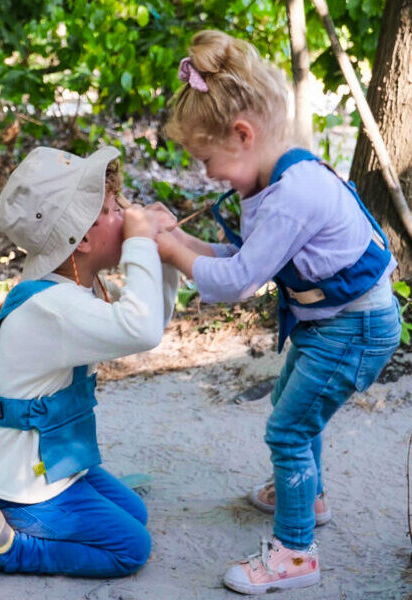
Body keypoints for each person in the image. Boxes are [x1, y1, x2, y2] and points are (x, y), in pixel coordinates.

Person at [156, 30, 401, 595]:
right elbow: (243, 259)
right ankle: (306, 497)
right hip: (331, 326)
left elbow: (238, 282)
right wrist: (185, 245)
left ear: (242, 135)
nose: (208, 174)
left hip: (355, 328)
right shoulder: (274, 181)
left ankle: (295, 552)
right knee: (296, 404)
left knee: (288, 425)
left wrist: (173, 252)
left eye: (209, 159)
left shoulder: (294, 194)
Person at [0, 145, 179, 578]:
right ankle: (2, 542)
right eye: (114, 209)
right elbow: (143, 331)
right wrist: (144, 242)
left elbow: (148, 323)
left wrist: (161, 256)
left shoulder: (69, 289)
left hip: (45, 462)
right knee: (131, 547)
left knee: (135, 511)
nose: (127, 213)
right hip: (27, 481)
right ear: (84, 238)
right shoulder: (56, 309)